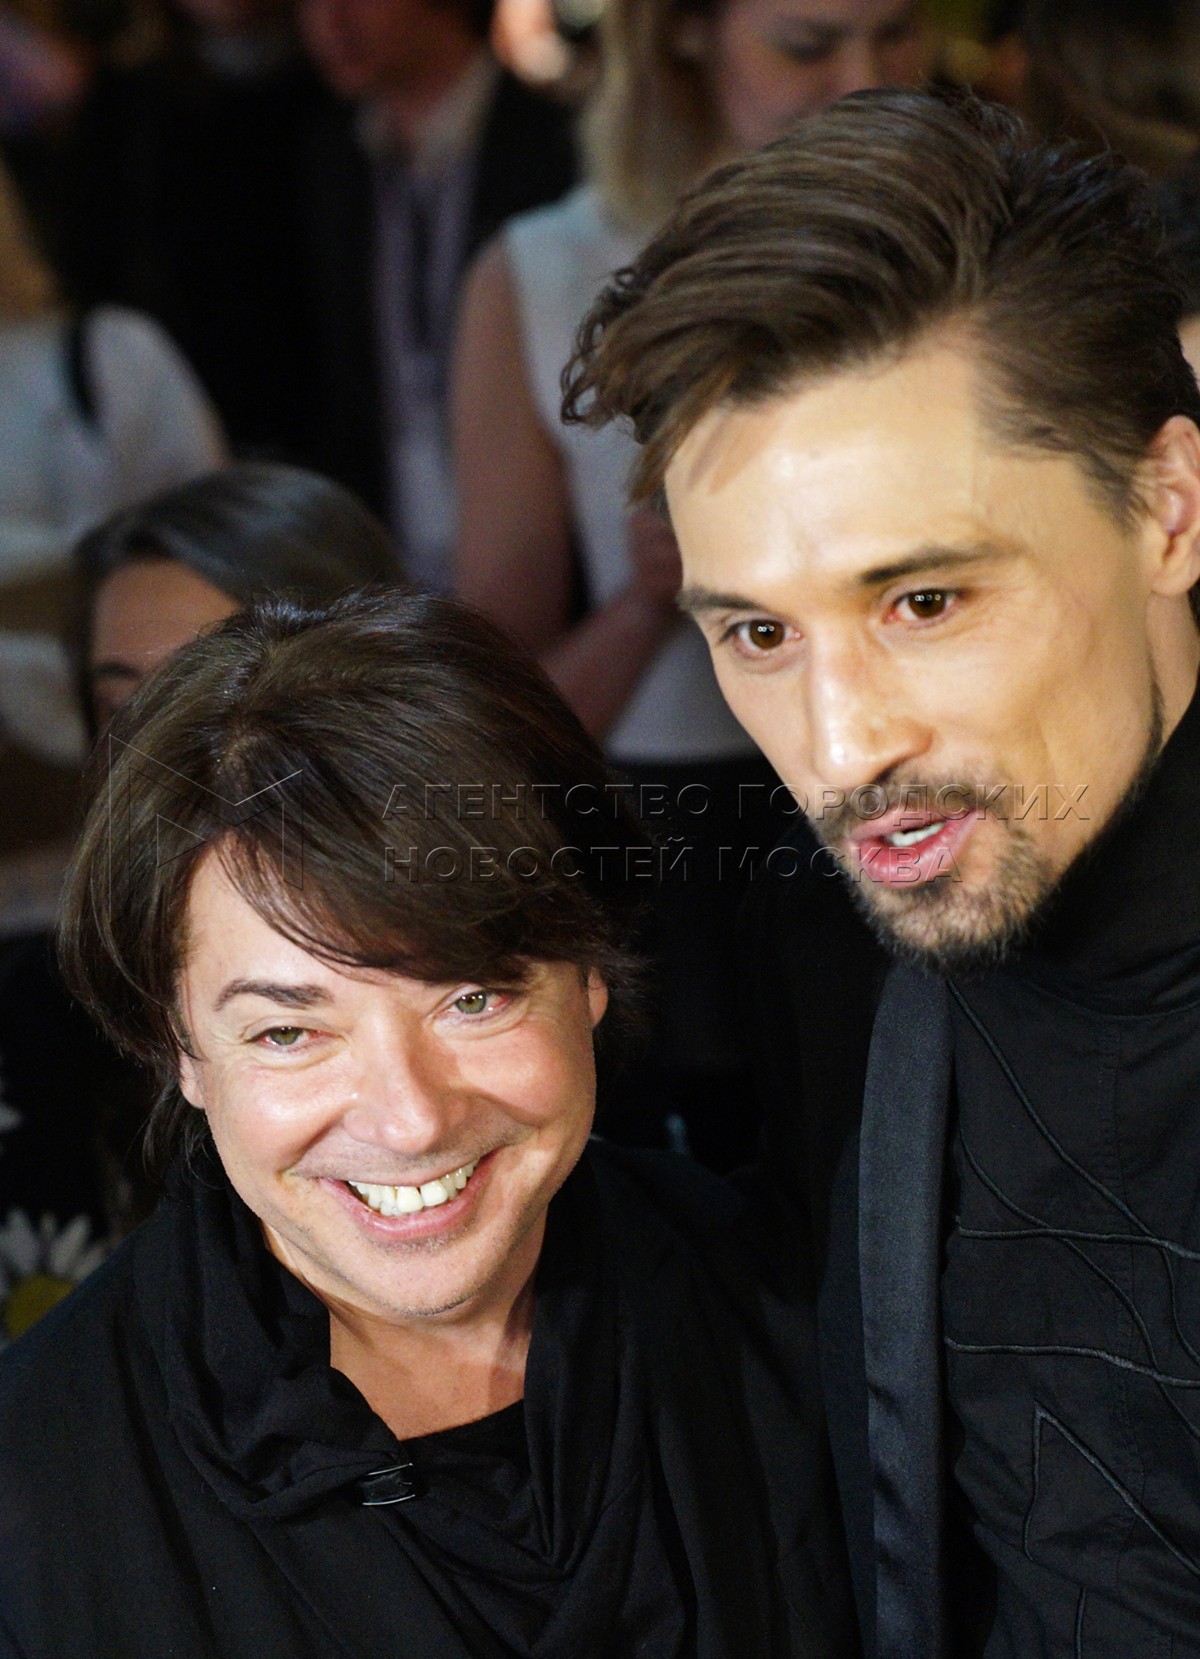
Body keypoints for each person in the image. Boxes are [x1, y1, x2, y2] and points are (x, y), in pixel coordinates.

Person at [566, 87, 1200, 1656]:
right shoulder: (871, 944)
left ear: (1168, 508)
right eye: (758, 632)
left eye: (924, 601)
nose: (841, 745)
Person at [0, 589, 855, 1657]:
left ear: (593, 969)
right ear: (179, 1047)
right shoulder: (38, 1495)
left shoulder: (800, 1315)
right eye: (289, 1032)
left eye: (472, 999)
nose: (408, 1120)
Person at [453, 0, 933, 1165]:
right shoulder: (547, 271)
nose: (863, 79)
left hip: (922, 774)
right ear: (682, 32)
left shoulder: (957, 241)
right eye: (806, 45)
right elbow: (490, 712)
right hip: (674, 826)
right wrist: (650, 595)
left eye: (898, 32)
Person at [0, 464, 398, 1345]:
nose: (161, 761)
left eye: (214, 702)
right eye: (122, 708)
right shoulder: (28, 1031)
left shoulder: (491, 1005)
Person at [296, 0, 576, 585]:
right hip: (387, 560)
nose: (330, 20)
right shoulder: (330, 154)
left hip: (539, 555)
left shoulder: (560, 145)